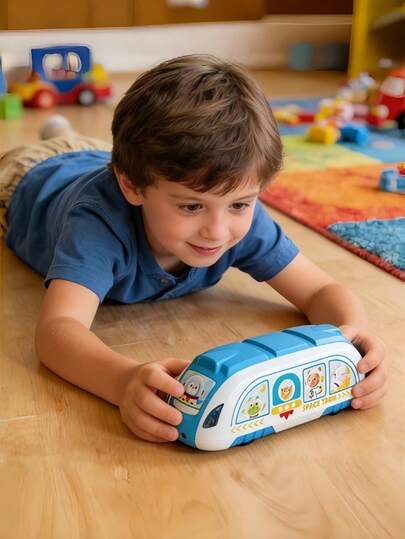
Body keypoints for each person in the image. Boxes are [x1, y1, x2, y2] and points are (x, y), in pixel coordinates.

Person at [0, 54, 387, 444]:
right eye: (191, 207)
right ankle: (57, 132)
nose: (217, 231)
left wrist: (351, 342)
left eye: (240, 204)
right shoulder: (97, 225)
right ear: (131, 186)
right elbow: (57, 331)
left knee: (112, 152)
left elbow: (321, 290)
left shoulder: (231, 205)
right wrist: (121, 381)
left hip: (107, 159)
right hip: (31, 176)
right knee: (47, 152)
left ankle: (61, 129)